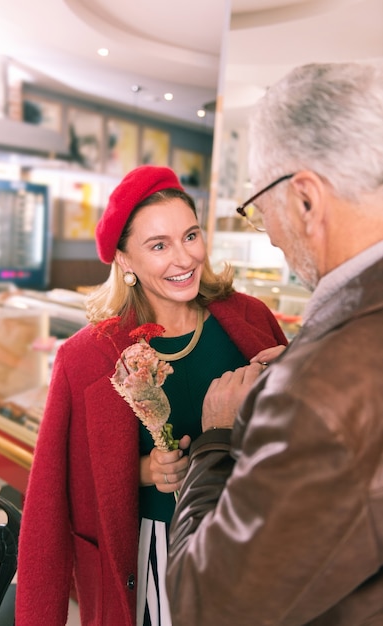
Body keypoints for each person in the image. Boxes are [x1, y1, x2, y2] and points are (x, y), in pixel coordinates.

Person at [15, 164, 287, 626]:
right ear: (125, 260)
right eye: (158, 246)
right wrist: (141, 471)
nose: (184, 259)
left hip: (251, 537)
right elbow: (53, 496)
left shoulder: (250, 318)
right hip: (151, 557)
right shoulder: (88, 356)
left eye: (191, 235)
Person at [166, 61, 383, 626]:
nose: (274, 236)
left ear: (307, 200)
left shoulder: (319, 386)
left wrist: (215, 438)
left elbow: (206, 605)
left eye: (262, 211)